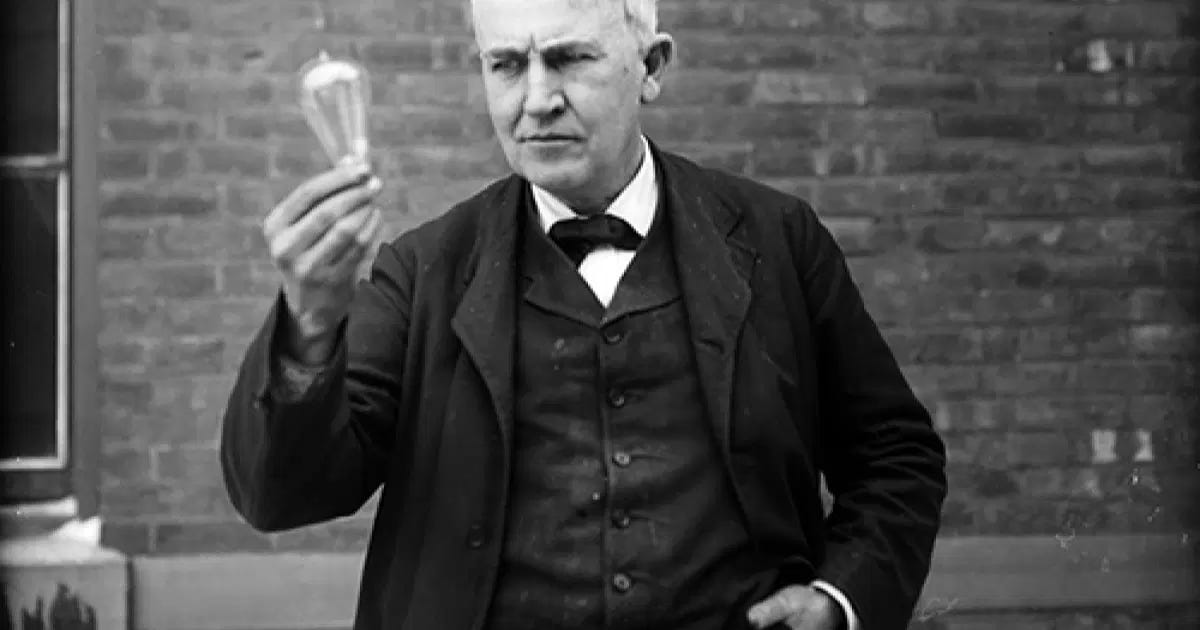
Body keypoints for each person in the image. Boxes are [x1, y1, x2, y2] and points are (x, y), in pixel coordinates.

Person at [219, 0, 948, 628]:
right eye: (507, 65)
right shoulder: (425, 271)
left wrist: (840, 598)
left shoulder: (777, 241)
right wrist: (309, 325)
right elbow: (282, 494)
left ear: (651, 66)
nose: (537, 99)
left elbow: (895, 456)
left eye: (569, 59)